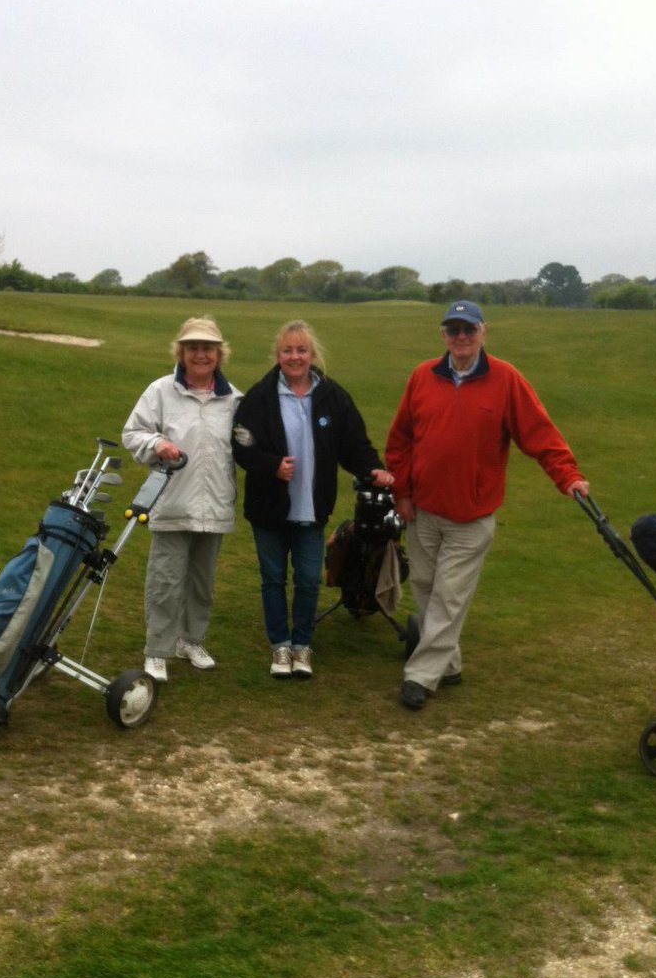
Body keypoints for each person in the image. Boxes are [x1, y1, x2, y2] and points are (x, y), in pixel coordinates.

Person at [385, 300, 590, 710]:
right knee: (425, 589)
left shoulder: (506, 379)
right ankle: (450, 663)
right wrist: (402, 494)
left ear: (483, 332)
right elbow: (400, 440)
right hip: (423, 509)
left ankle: (421, 676)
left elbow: (539, 434)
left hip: (471, 516)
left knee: (449, 596)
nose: (461, 337)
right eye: (453, 330)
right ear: (443, 334)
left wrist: (567, 475)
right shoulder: (422, 376)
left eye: (469, 329)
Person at [232, 319, 393, 679]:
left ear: (312, 354)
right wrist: (272, 466)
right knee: (273, 579)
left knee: (307, 579)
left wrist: (373, 470)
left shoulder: (333, 396)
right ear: (278, 355)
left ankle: (302, 644)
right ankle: (280, 647)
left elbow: (354, 445)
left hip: (311, 508)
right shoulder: (259, 397)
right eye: (288, 350)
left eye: (301, 350)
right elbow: (241, 446)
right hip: (269, 510)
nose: (295, 357)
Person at [122, 316, 242, 682]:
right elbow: (133, 433)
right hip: (173, 503)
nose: (200, 355)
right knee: (166, 581)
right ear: (181, 351)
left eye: (207, 348)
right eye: (193, 348)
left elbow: (248, 445)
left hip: (215, 505)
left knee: (202, 582)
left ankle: (191, 641)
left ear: (219, 354)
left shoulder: (234, 399)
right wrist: (156, 443)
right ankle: (157, 649)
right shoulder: (160, 391)